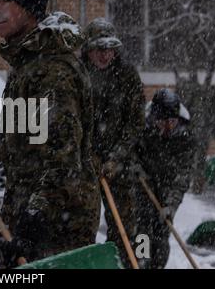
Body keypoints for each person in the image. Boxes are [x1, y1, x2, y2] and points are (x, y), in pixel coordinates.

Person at [0, 0, 100, 268]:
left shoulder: (53, 70)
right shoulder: (27, 62)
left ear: (30, 8)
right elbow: (30, 127)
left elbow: (64, 160)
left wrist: (34, 219)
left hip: (58, 224)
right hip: (31, 211)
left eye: (7, 1)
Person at [82, 18, 146, 267]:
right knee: (82, 226)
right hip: (85, 164)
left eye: (109, 49)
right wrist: (90, 155)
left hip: (119, 163)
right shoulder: (78, 74)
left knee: (123, 225)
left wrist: (116, 157)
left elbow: (136, 122)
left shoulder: (127, 75)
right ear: (88, 49)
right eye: (99, 49)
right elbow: (73, 121)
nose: (105, 55)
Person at [136, 88, 194, 269]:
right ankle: (140, 263)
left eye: (172, 122)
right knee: (143, 232)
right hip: (142, 187)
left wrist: (171, 205)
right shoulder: (143, 129)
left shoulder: (184, 138)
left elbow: (183, 176)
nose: (168, 127)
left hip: (167, 190)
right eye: (163, 122)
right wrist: (135, 167)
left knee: (161, 238)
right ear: (154, 119)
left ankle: (157, 267)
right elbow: (129, 152)